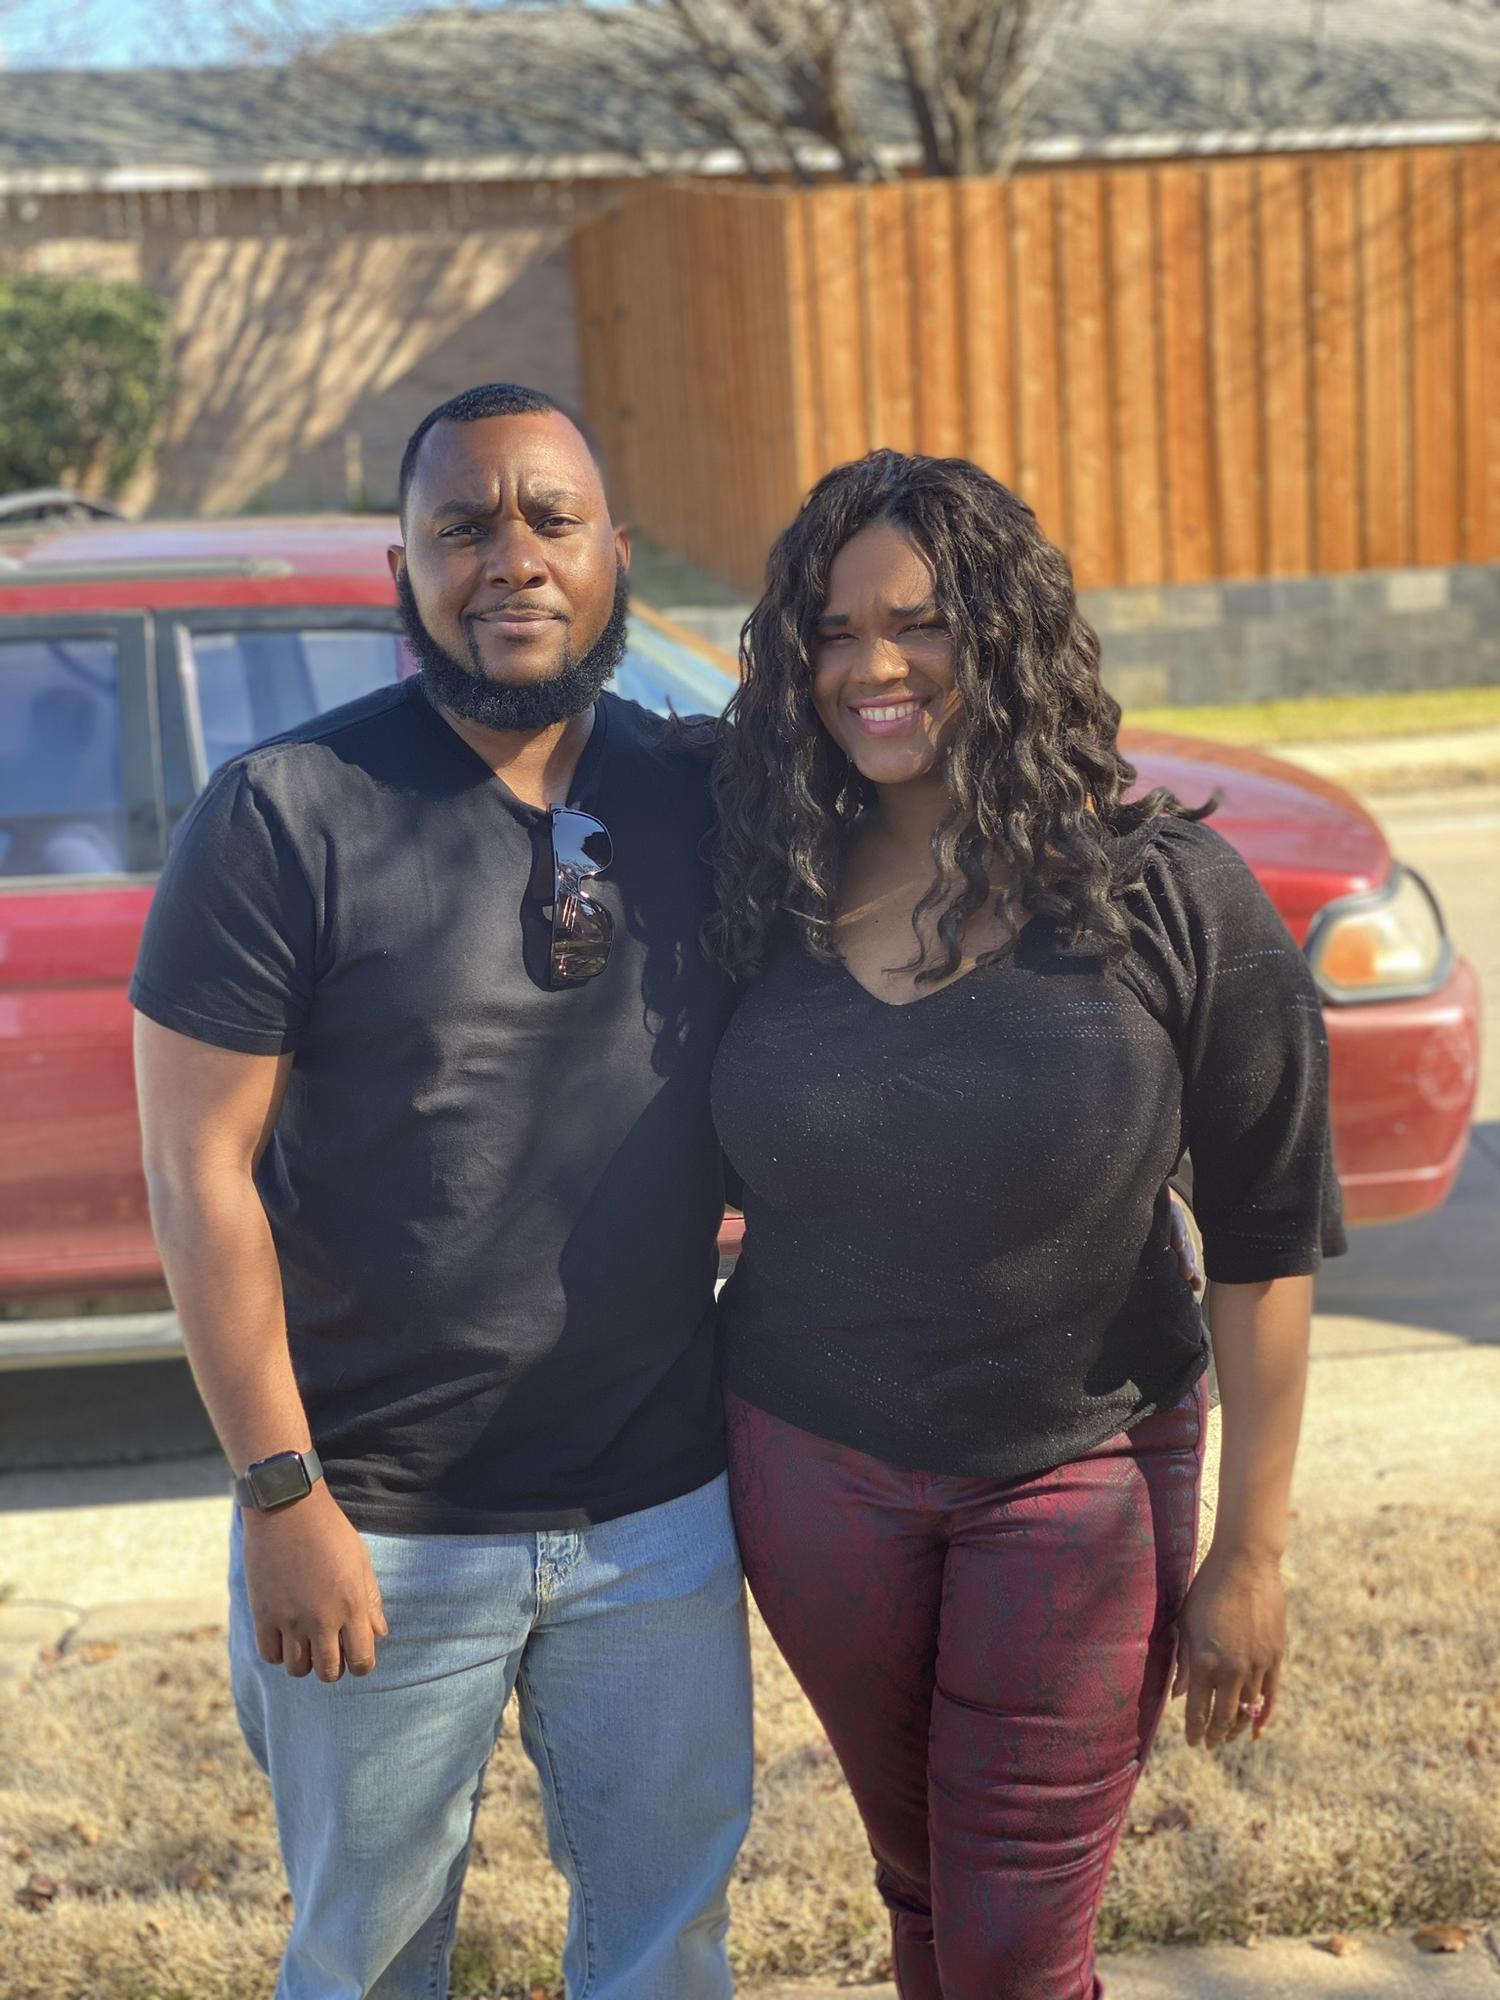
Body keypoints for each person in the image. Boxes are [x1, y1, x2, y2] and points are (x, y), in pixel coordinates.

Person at [130, 383, 752, 2000]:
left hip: (657, 1517)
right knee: (370, 1967)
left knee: (667, 1952)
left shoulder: (708, 795)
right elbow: (198, 1173)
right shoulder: (283, 814)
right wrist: (282, 1498)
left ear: (616, 551)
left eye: (551, 518)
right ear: (399, 567)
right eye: (463, 525)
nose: (511, 557)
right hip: (380, 1525)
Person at [706, 449, 1345, 2000]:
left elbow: (1265, 1234)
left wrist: (1251, 1552)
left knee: (1012, 1948)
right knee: (924, 1888)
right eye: (836, 632)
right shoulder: (763, 890)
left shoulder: (1167, 894)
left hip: (1080, 1480)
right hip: (811, 1470)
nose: (874, 667)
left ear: (1004, 634)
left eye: (919, 623)